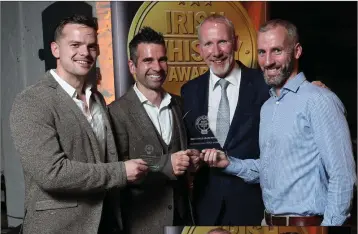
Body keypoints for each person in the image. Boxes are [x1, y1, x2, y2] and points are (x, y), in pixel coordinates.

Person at [201, 19, 356, 226]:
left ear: (297, 51)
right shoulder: (268, 107)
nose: (268, 61)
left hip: (307, 226)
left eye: (277, 51)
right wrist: (230, 164)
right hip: (268, 225)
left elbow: (343, 176)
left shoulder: (319, 100)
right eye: (262, 52)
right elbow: (269, 168)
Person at [9, 15, 149, 234]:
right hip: (60, 228)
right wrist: (120, 172)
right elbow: (52, 173)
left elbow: (102, 158)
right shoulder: (32, 101)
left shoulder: (98, 99)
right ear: (55, 49)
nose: (85, 52)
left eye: (91, 46)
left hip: (107, 223)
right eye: (75, 45)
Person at [181, 14, 268, 225]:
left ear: (236, 42)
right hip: (206, 207)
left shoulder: (264, 84)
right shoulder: (189, 91)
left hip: (254, 206)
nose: (216, 52)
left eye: (223, 42)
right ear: (200, 49)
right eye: (208, 44)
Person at [108, 26, 196, 234]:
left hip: (183, 221)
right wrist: (166, 164)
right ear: (132, 66)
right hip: (141, 223)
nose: (157, 67)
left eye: (162, 59)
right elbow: (116, 169)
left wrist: (193, 159)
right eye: (148, 60)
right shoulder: (115, 112)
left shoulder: (180, 104)